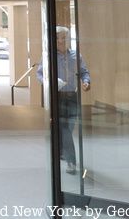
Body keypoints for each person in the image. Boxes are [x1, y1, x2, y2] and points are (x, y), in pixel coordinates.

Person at [37, 26, 91, 175]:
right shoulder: (48, 56)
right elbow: (40, 74)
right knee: (65, 129)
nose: (61, 41)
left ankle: (62, 151)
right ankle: (71, 162)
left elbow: (84, 72)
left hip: (72, 97)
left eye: (63, 38)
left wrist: (86, 82)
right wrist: (49, 83)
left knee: (68, 128)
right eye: (57, 38)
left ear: (68, 39)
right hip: (58, 97)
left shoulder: (75, 55)